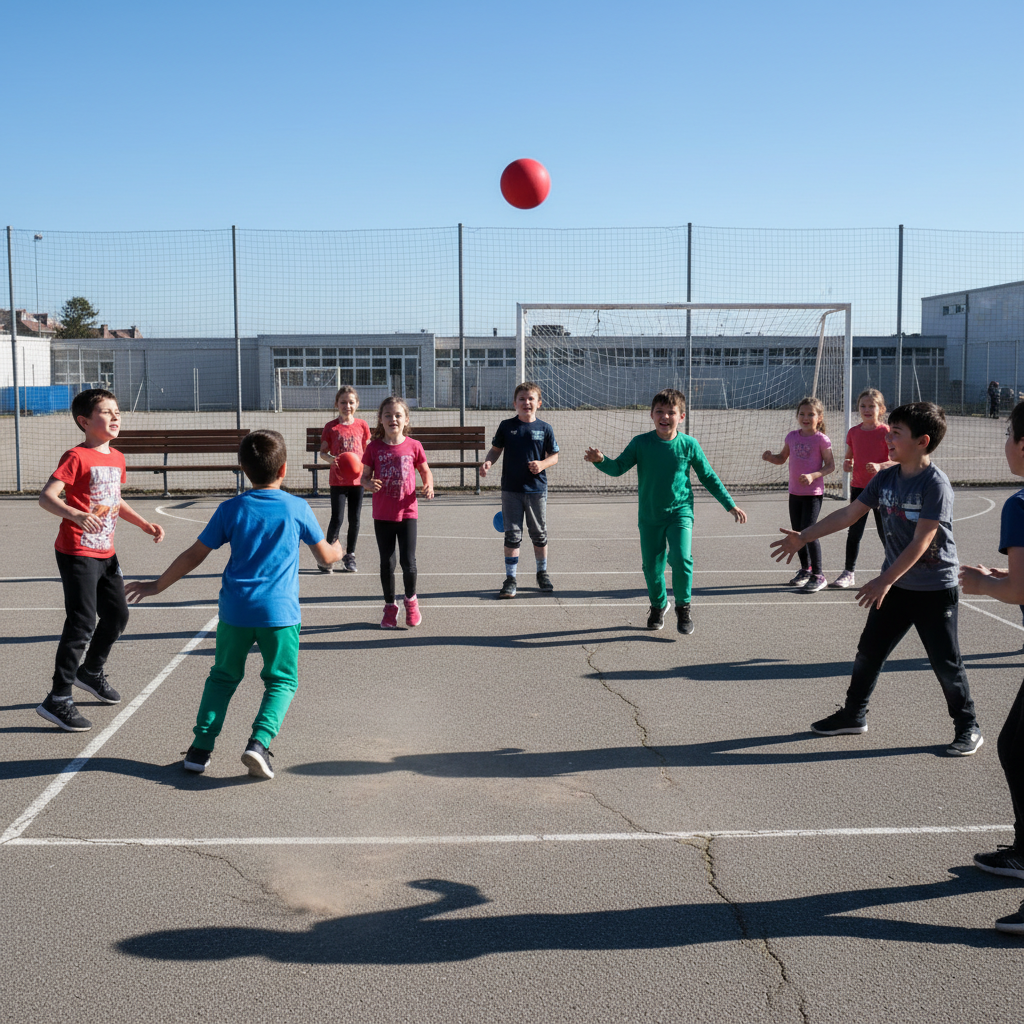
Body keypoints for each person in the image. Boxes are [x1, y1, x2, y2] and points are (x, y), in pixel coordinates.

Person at [124, 430, 343, 778]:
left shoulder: (231, 509)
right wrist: (338, 549)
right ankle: (259, 743)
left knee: (223, 678)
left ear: (243, 468)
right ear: (284, 469)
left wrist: (157, 585)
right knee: (282, 681)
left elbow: (194, 554)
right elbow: (326, 556)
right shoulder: (297, 508)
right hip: (279, 614)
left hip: (235, 612)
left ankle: (200, 749)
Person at [770, 401, 983, 756]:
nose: (889, 438)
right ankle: (854, 715)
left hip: (933, 589)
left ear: (922, 441)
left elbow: (923, 540)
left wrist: (884, 579)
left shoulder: (936, 485)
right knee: (869, 652)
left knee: (946, 662)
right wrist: (804, 536)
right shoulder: (885, 478)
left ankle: (968, 726)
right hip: (897, 585)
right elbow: (850, 513)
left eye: (896, 433)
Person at [36, 388, 165, 732]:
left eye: (117, 411)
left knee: (118, 614)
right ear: (85, 421)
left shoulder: (117, 458)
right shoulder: (76, 457)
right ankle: (58, 698)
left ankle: (90, 671)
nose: (115, 416)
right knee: (81, 622)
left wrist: (143, 523)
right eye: (106, 412)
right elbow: (46, 497)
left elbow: (114, 499)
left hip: (106, 551)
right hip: (77, 550)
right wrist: (74, 514)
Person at [584, 388, 747, 635]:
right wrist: (601, 461)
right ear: (651, 415)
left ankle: (684, 608)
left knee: (681, 558)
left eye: (671, 412)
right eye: (660, 411)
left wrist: (729, 503)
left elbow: (708, 477)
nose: (665, 416)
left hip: (680, 512)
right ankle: (659, 606)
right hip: (650, 516)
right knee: (652, 566)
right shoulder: (641, 443)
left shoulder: (689, 445)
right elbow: (618, 468)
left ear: (681, 417)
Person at [960, 400, 1024, 934]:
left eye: (1007, 434)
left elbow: (1020, 591)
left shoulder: (1020, 504)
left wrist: (984, 584)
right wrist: (1003, 570)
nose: (1003, 444)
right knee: (1016, 745)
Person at [480, 382, 560, 598]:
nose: (527, 402)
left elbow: (554, 456)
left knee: (538, 533)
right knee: (512, 534)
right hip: (511, 490)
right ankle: (510, 578)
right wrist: (488, 462)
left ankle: (542, 573)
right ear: (515, 403)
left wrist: (542, 464)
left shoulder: (545, 429)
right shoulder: (507, 426)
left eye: (531, 399)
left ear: (539, 403)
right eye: (522, 399)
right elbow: (495, 450)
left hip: (536, 490)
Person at [362, 396, 434, 629]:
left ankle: (411, 603)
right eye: (388, 415)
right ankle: (390, 607)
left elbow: (425, 471)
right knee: (387, 562)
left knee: (408, 561)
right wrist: (368, 484)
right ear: (380, 420)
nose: (393, 419)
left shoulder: (414, 446)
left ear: (406, 420)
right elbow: (363, 477)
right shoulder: (373, 448)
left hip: (407, 512)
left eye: (398, 415)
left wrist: (428, 484)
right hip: (382, 514)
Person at [762, 396, 835, 594]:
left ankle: (819, 575)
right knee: (797, 532)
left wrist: (813, 475)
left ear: (819, 418)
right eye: (802, 413)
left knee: (809, 533)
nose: (805, 417)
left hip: (813, 493)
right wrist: (771, 458)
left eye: (810, 414)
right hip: (795, 492)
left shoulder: (821, 439)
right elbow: (782, 458)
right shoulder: (792, 437)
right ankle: (806, 569)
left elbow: (831, 466)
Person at [830, 388, 894, 589]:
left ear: (881, 409)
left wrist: (880, 466)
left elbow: (897, 462)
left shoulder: (886, 432)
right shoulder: (854, 432)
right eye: (863, 406)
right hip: (859, 489)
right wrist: (847, 464)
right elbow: (849, 456)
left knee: (886, 533)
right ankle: (849, 572)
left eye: (872, 406)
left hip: (883, 490)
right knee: (854, 532)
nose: (867, 409)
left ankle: (893, 571)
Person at [318, 385, 371, 573]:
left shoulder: (362, 425)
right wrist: (336, 460)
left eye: (351, 402)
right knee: (337, 518)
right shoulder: (331, 427)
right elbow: (323, 453)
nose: (347, 406)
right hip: (338, 481)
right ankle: (327, 556)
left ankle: (350, 556)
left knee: (354, 519)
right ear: (336, 404)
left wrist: (367, 472)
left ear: (357, 404)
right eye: (343, 402)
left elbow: (367, 451)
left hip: (358, 481)